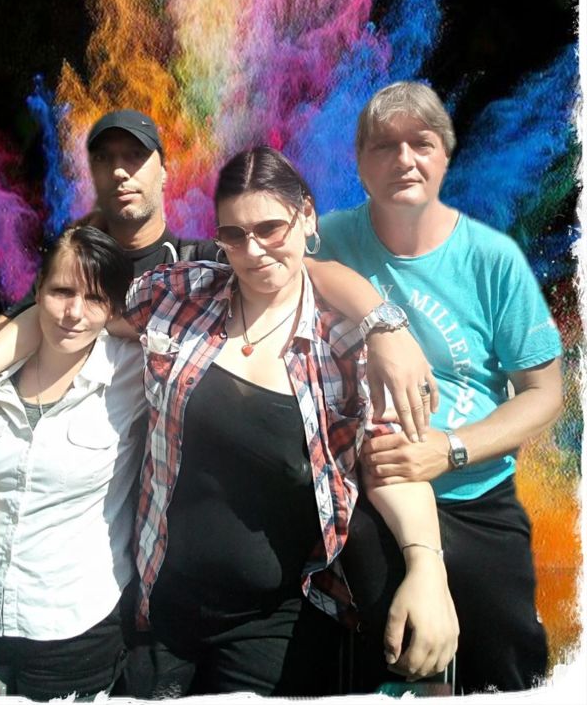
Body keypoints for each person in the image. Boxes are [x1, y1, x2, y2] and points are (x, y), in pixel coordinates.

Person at [116, 145, 457, 696]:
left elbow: (392, 464)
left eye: (270, 228)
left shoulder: (345, 346)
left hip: (272, 624)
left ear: (307, 217)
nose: (252, 251)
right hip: (160, 604)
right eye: (233, 235)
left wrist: (427, 569)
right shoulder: (180, 295)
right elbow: (75, 314)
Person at [316, 81, 564, 694]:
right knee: (380, 667)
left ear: (445, 157)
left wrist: (448, 448)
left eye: (421, 144)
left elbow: (544, 393)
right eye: (384, 146)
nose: (404, 159)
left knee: (506, 669)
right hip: (367, 499)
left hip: (474, 494)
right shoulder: (330, 237)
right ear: (360, 164)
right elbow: (268, 258)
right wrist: (380, 320)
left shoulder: (492, 259)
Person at [0, 226, 148, 700]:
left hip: (74, 630)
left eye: (95, 298)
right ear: (37, 289)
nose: (74, 313)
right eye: (61, 291)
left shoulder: (133, 371)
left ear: (114, 309)